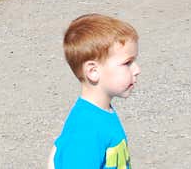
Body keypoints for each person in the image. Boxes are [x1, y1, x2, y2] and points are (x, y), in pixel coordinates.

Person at [51, 14, 140, 169]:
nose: (137, 70)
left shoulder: (101, 112)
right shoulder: (85, 130)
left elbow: (57, 149)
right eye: (127, 63)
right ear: (93, 71)